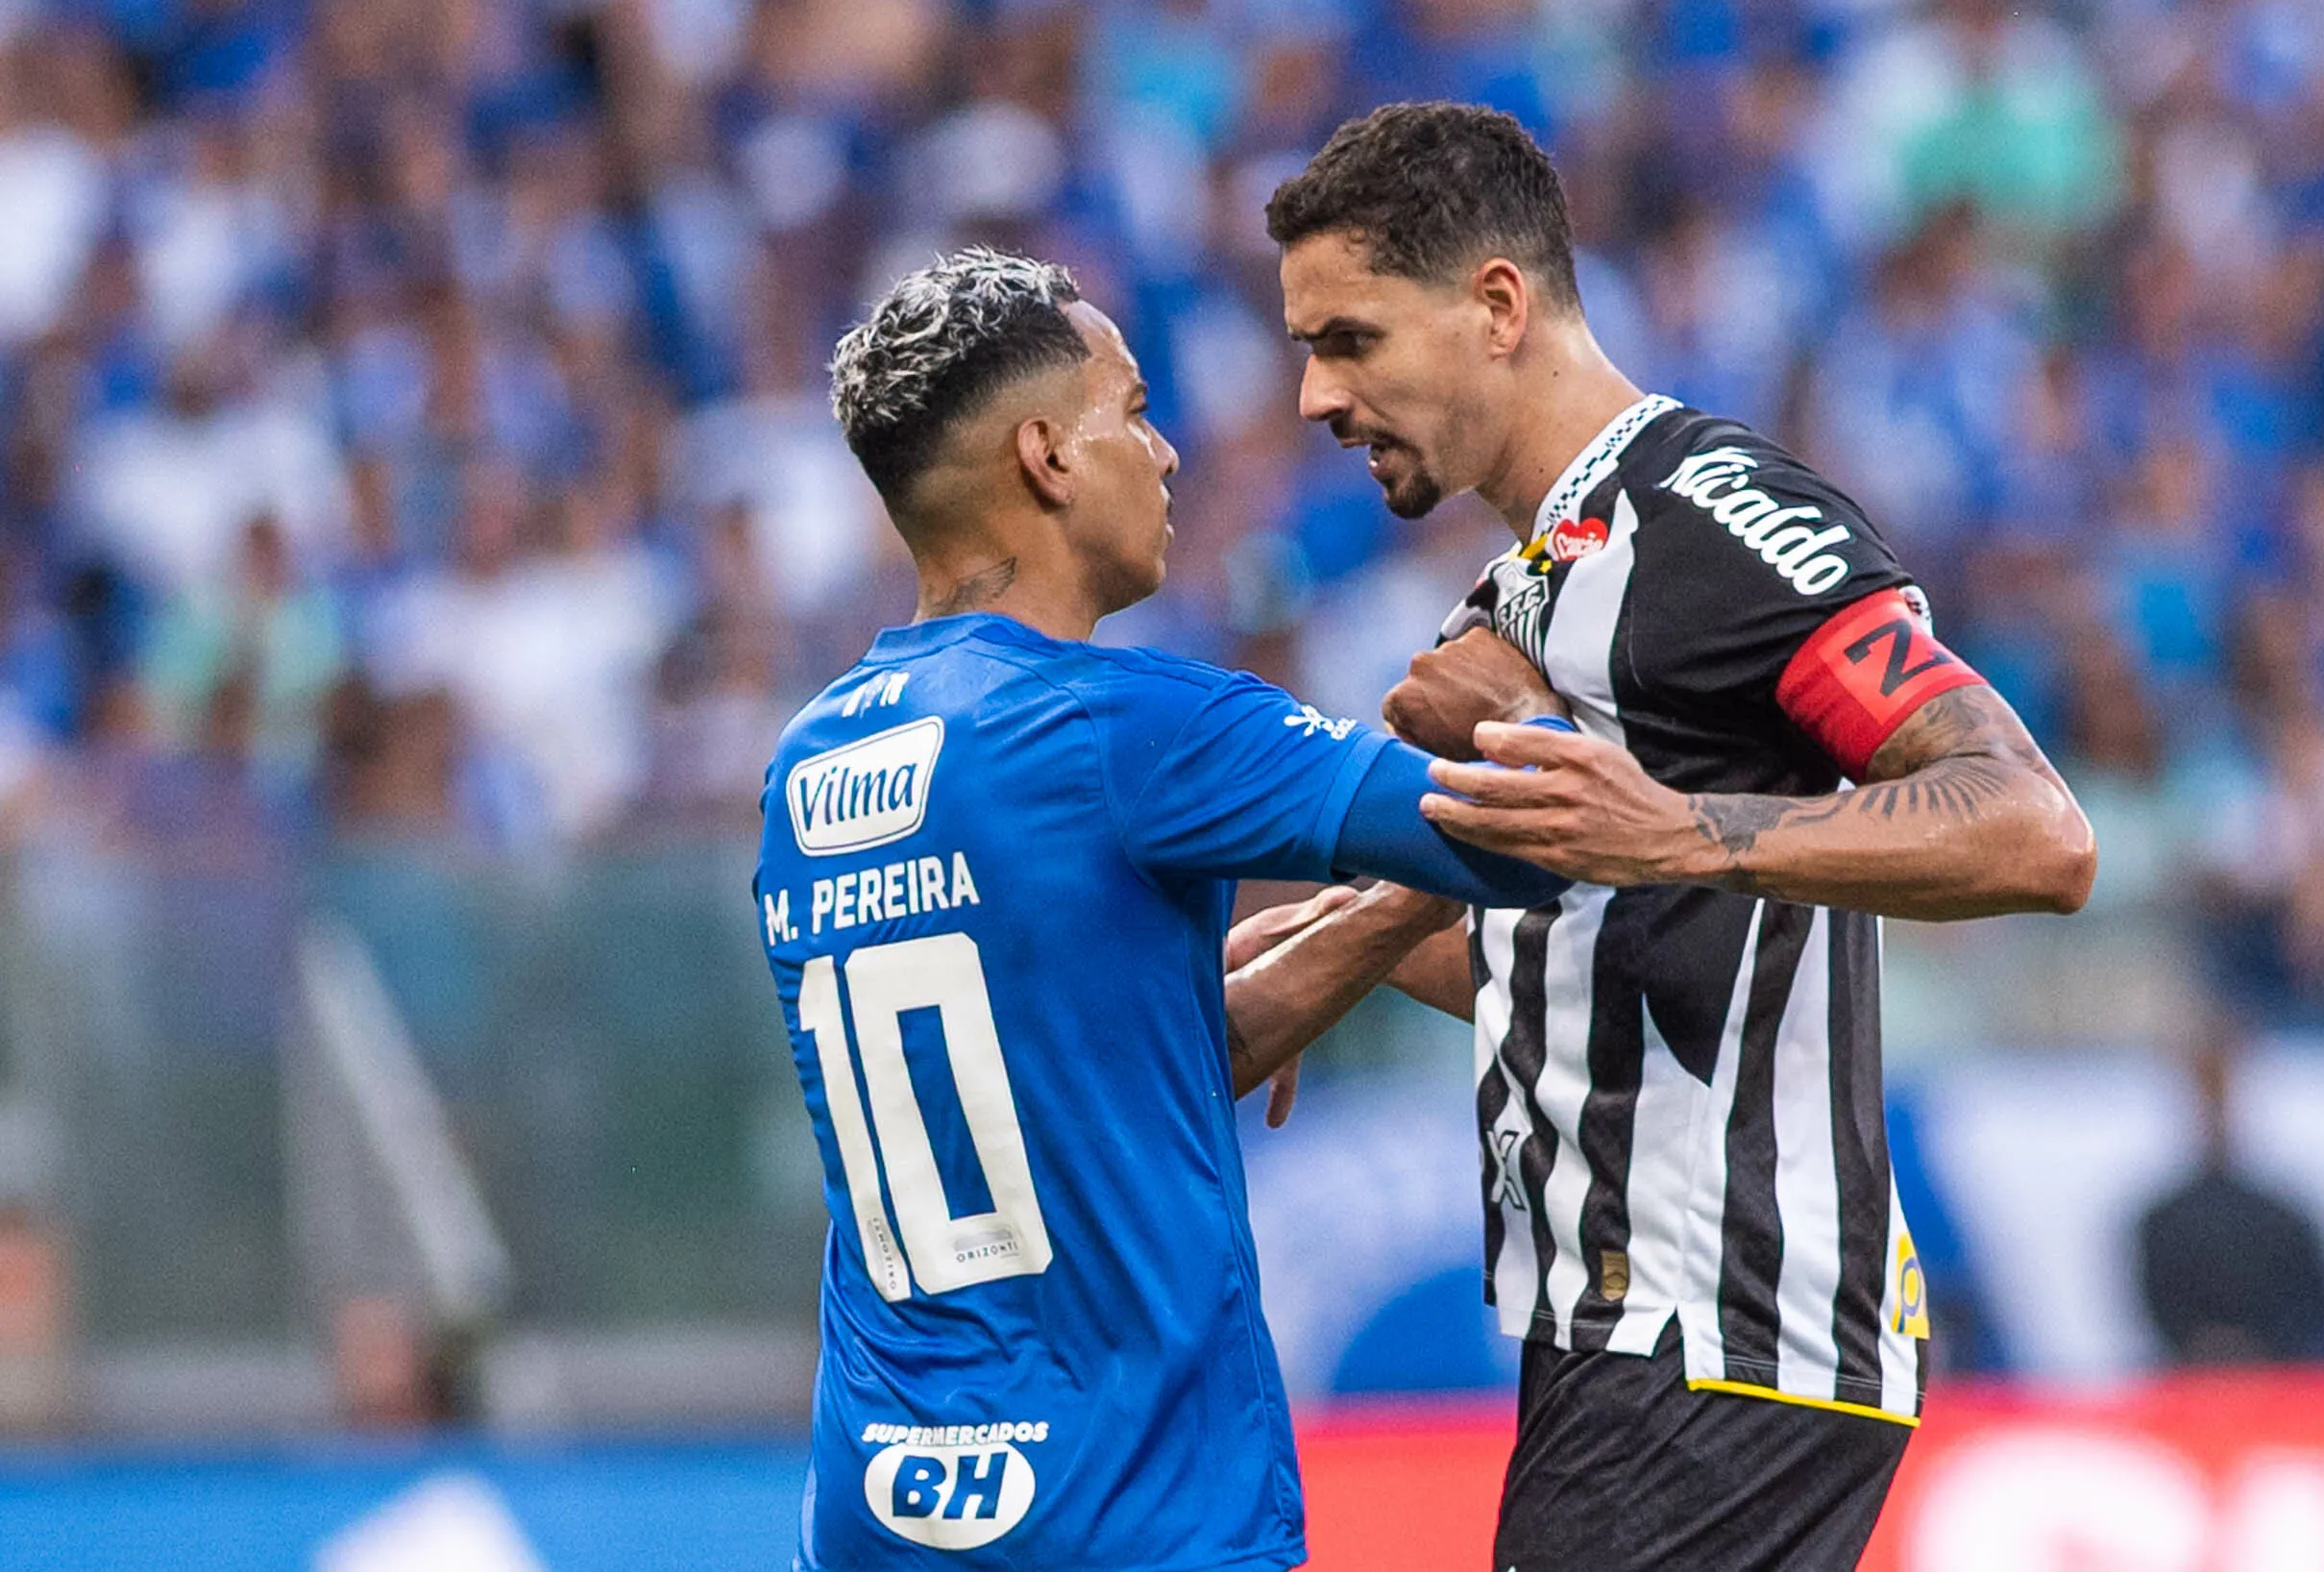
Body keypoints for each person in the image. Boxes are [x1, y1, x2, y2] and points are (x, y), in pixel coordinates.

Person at [1261, 103, 2097, 1572]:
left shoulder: (1716, 519)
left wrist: (1681, 831)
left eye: (1353, 339)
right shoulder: (1523, 583)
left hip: (1713, 1330)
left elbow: (2033, 828)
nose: (1316, 396)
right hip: (1628, 1332)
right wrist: (1352, 951)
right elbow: (1602, 945)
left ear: (1498, 305)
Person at [751, 249, 1567, 1571]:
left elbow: (1072, 1076)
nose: (1168, 452)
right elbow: (1545, 843)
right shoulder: (1119, 725)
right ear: (1046, 457)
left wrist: (1340, 933)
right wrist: (1510, 705)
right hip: (1129, 1510)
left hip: (883, 1512)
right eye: (1131, 410)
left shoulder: (810, 760)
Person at [2132, 1035, 2324, 1367]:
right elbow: (2155, 1309)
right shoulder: (2159, 1222)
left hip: (2279, 1384)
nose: (2214, 1105)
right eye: (2204, 1091)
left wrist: (2261, 1352)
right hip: (2189, 1386)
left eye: (2222, 1090)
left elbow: (2316, 1310)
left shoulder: (2286, 1218)